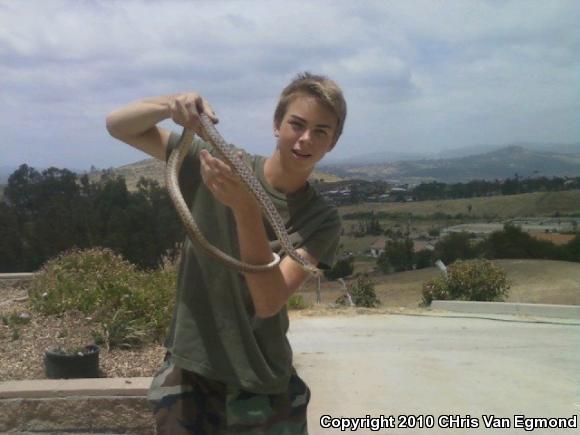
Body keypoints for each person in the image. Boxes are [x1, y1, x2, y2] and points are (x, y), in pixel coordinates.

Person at [106, 72, 347, 434]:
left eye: (321, 131)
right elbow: (118, 126)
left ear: (333, 142)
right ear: (277, 125)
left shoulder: (322, 220)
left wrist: (245, 210)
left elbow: (268, 302)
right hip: (191, 374)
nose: (305, 139)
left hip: (262, 381)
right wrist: (172, 104)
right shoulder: (217, 164)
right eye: (297, 124)